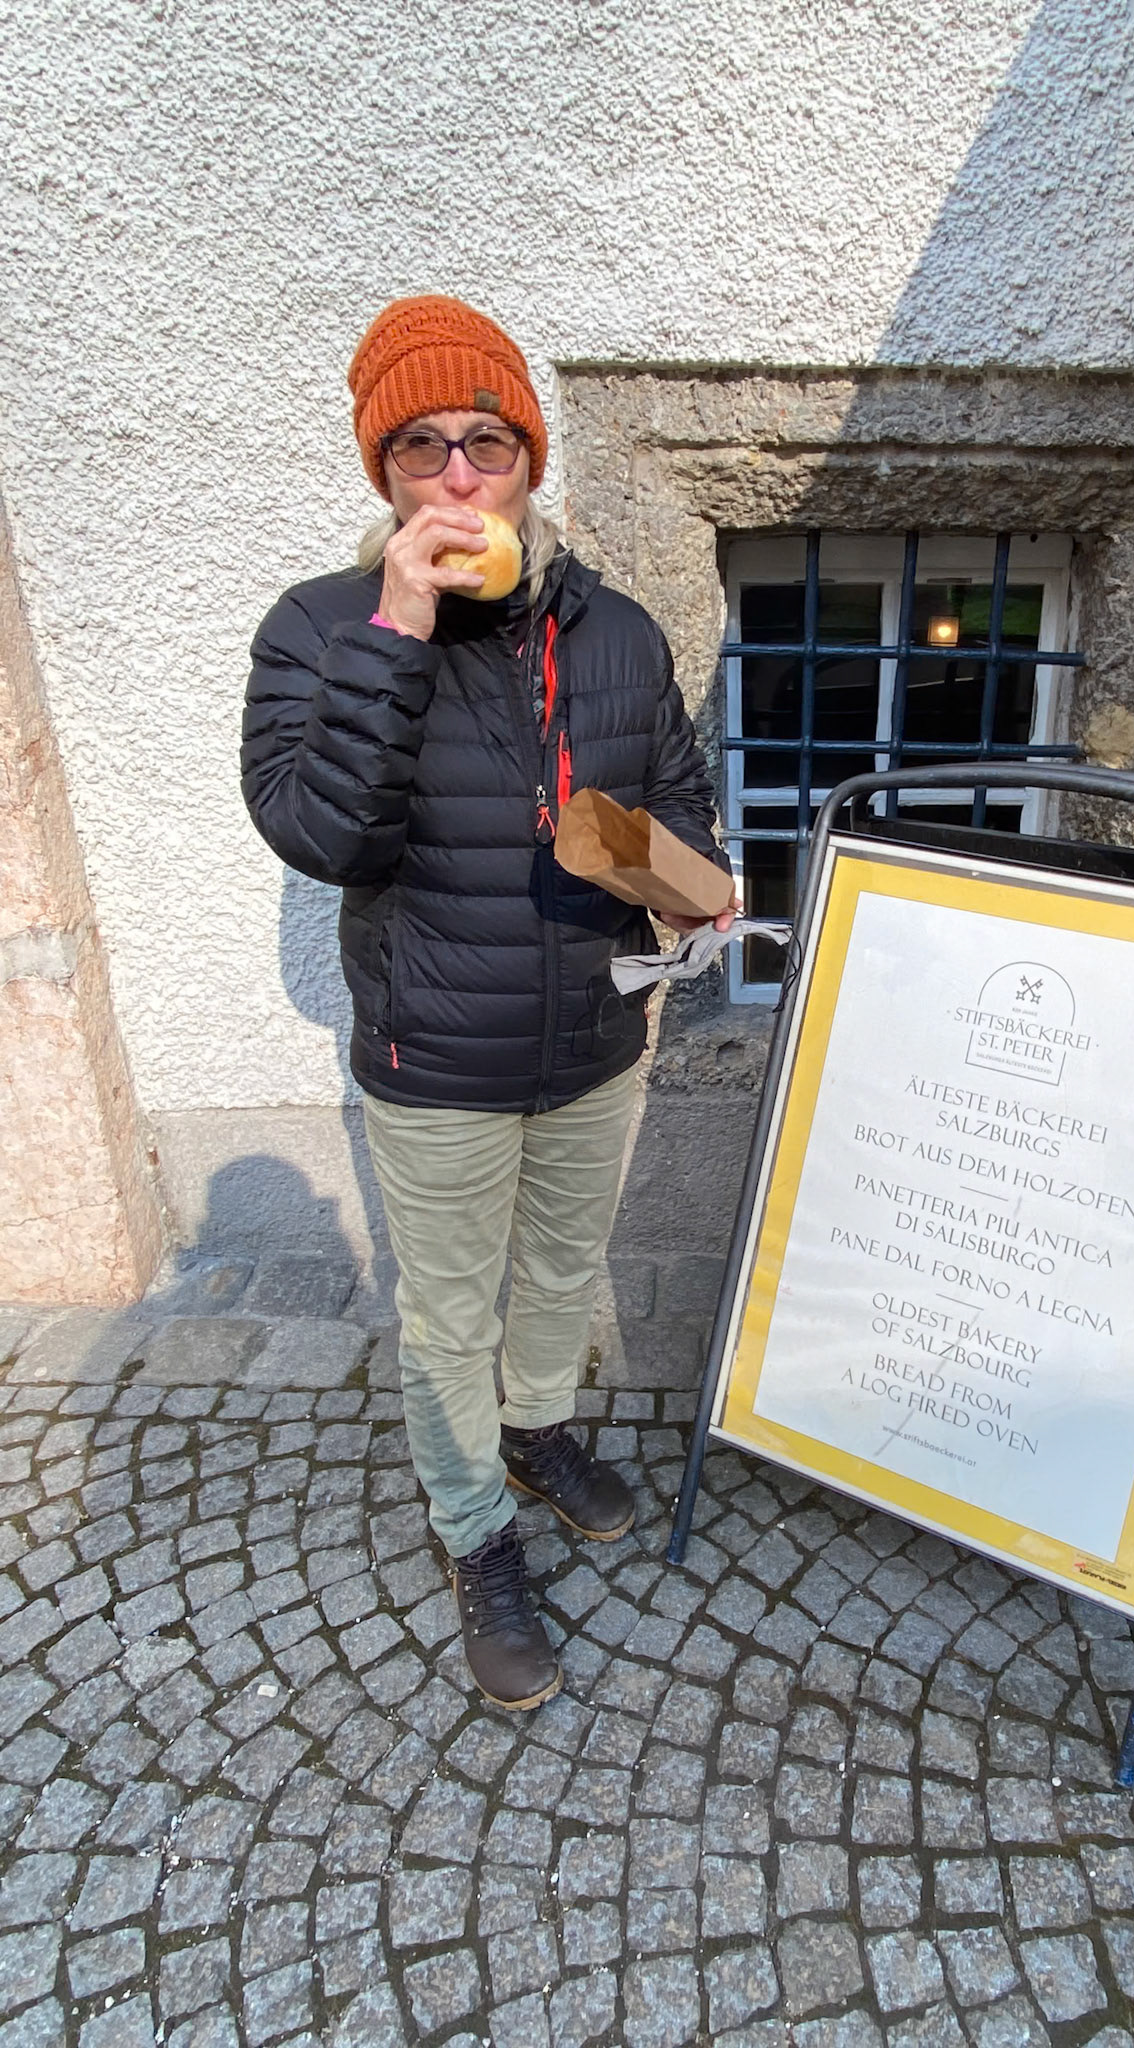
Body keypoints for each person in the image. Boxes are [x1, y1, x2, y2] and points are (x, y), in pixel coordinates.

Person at [242, 295, 733, 1711]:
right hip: (436, 1057)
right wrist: (401, 624)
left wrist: (687, 882)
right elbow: (321, 836)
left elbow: (675, 792)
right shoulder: (321, 629)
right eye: (422, 447)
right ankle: (475, 1533)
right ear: (383, 471)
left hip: (595, 1043)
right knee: (450, 1318)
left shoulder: (617, 629)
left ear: (529, 456)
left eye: (488, 443)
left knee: (562, 1279)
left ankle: (536, 1432)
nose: (459, 476)